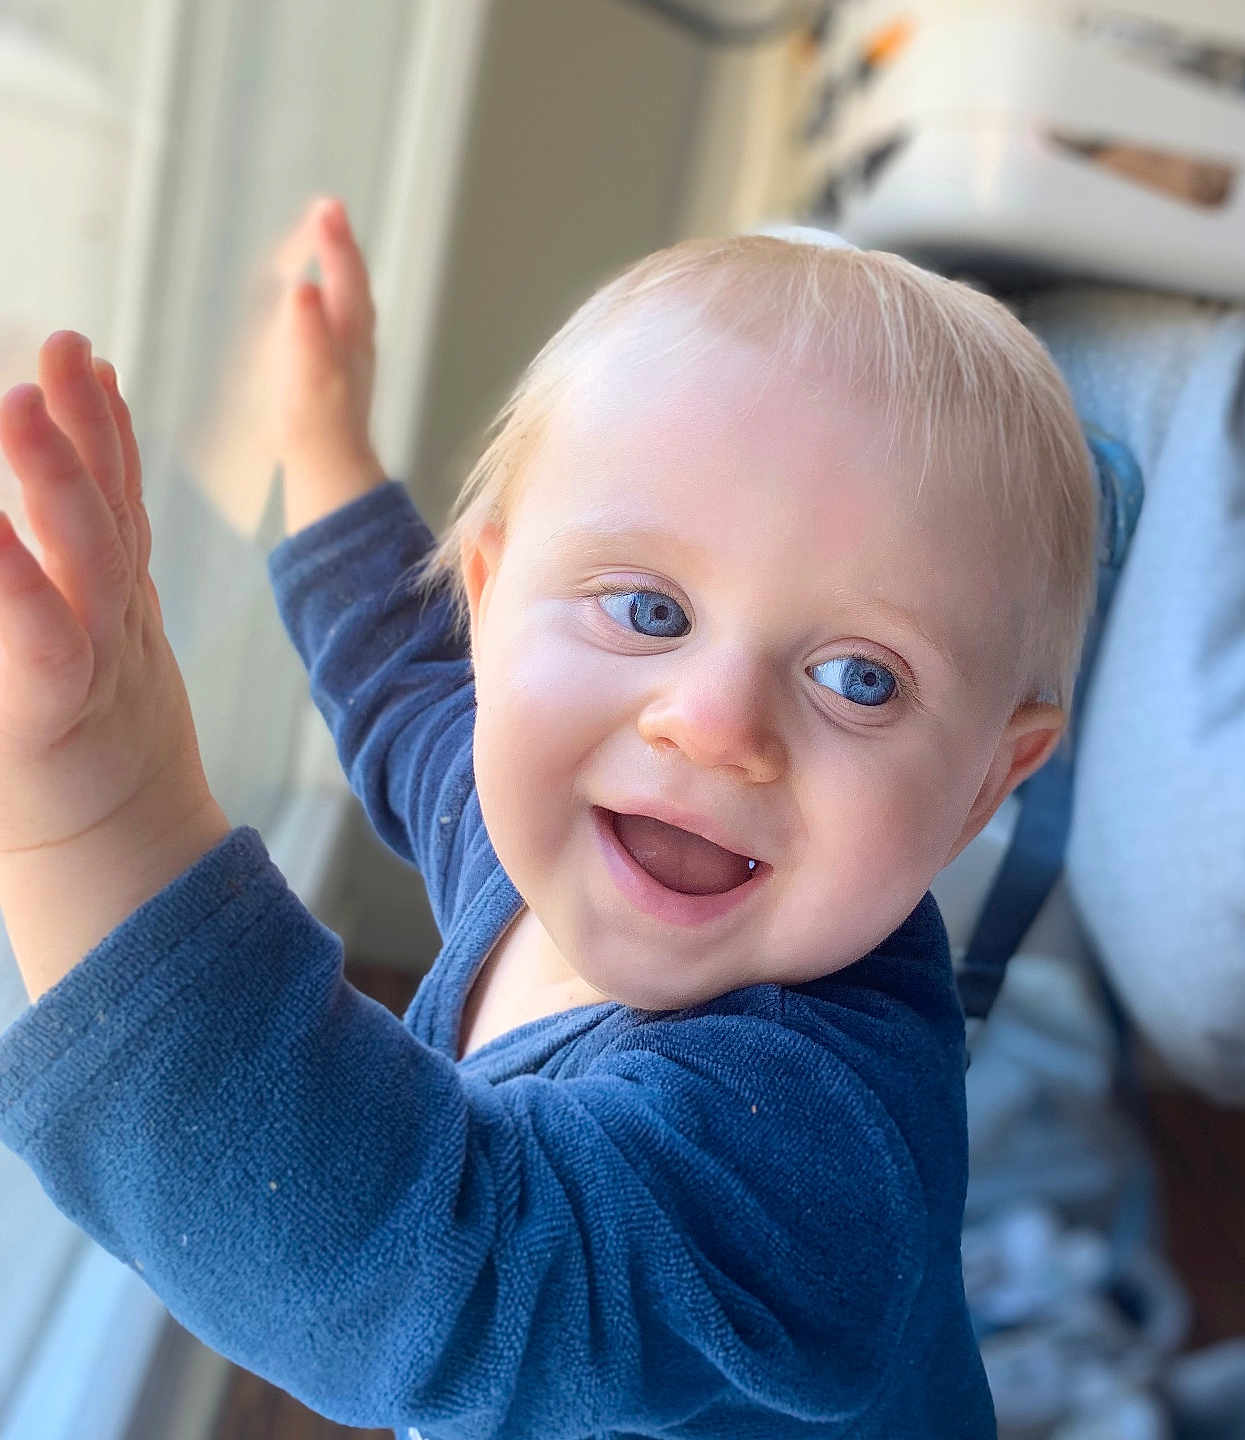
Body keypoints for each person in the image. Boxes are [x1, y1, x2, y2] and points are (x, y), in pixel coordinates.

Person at [0, 196, 1096, 1439]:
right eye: (647, 611)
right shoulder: (550, 828)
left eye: (862, 678)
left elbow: (445, 1274)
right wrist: (318, 446)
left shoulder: (821, 1143)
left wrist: (98, 824)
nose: (715, 725)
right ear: (491, 597)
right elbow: (401, 673)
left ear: (983, 791)